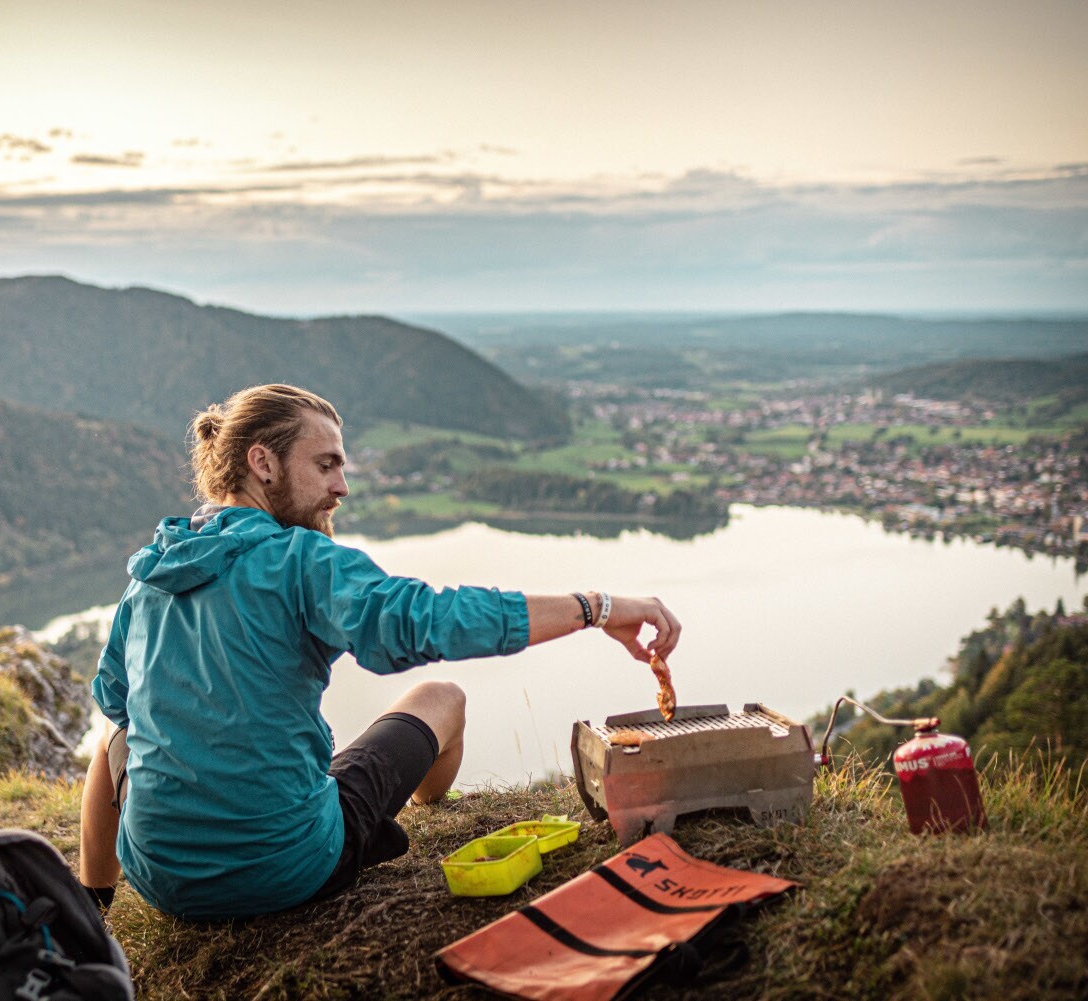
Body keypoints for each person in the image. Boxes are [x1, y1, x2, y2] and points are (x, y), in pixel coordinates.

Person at [78, 384, 681, 920]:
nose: (341, 486)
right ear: (262, 463)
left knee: (114, 733)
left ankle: (92, 904)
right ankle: (428, 806)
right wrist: (597, 607)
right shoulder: (300, 561)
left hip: (161, 880)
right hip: (286, 867)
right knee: (442, 698)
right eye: (326, 465)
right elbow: (433, 619)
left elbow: (118, 706)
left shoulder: (150, 576)